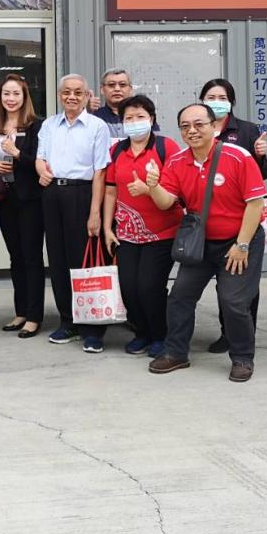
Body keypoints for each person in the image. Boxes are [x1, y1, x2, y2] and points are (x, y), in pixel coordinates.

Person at [147, 103, 267, 383]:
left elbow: (255, 204)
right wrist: (153, 186)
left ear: (214, 127)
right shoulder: (177, 162)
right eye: (185, 126)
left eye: (199, 124)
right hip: (200, 243)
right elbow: (166, 202)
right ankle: (176, 352)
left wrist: (242, 245)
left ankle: (242, 357)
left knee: (233, 301)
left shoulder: (238, 157)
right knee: (180, 296)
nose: (192, 130)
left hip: (239, 241)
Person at [35, 74, 111, 352]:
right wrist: (41, 170)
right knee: (57, 259)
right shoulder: (49, 124)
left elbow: (100, 171)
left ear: (87, 95)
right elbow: (40, 158)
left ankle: (92, 328)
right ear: (59, 95)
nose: (72, 97)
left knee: (84, 261)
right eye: (67, 92)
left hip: (82, 193)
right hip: (52, 194)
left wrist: (95, 213)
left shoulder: (97, 126)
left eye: (78, 92)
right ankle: (67, 321)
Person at [102, 95, 182, 358]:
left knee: (149, 286)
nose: (134, 122)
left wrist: (149, 189)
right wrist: (107, 228)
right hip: (126, 233)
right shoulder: (117, 151)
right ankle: (142, 333)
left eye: (140, 117)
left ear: (152, 119)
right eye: (129, 118)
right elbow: (110, 191)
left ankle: (160, 335)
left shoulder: (166, 147)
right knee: (129, 287)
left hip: (162, 232)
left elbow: (176, 190)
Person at [200, 78, 267, 354]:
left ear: (231, 102)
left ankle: (245, 333)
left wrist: (260, 155)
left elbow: (263, 174)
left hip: (244, 220)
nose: (216, 102)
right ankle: (227, 333)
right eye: (211, 97)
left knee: (243, 285)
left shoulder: (246, 130)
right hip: (210, 219)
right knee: (224, 285)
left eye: (222, 97)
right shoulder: (199, 128)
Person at [0, 74, 45, 338]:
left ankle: (34, 316)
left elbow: (40, 162)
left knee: (32, 257)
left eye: (16, 94)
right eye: (6, 94)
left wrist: (16, 154)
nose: (10, 99)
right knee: (16, 257)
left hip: (30, 199)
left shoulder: (37, 126)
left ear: (25, 97)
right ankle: (21, 312)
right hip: (6, 199)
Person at [91, 69, 135, 139]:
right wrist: (85, 109)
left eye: (122, 85)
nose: (117, 89)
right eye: (111, 85)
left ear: (131, 89)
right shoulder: (94, 116)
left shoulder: (141, 116)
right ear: (102, 89)